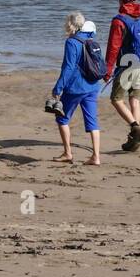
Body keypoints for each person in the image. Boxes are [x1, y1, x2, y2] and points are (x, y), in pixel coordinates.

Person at [104, 0, 140, 152]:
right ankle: (134, 140)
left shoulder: (119, 20)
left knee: (116, 99)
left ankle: (135, 128)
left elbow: (113, 48)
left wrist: (107, 70)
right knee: (134, 99)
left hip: (127, 66)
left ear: (120, 0)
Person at [50, 12, 102, 165]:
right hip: (92, 86)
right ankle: (96, 157)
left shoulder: (71, 42)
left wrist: (58, 87)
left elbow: (69, 67)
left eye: (67, 22)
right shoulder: (91, 40)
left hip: (75, 88)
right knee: (92, 121)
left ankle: (68, 153)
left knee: (62, 118)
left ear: (71, 25)